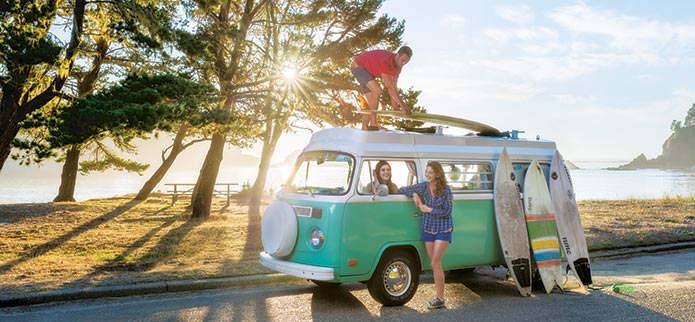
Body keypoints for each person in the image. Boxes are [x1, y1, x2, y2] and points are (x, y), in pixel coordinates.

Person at [398, 161, 453, 309]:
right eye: (427, 172)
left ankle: (440, 298)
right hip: (427, 229)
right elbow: (402, 188)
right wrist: (414, 194)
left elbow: (447, 211)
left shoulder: (446, 190)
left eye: (431, 172)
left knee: (435, 262)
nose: (428, 174)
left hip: (443, 228)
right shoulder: (423, 186)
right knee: (435, 264)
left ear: (438, 174)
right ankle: (439, 298)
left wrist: (428, 210)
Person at [351, 46, 413, 131]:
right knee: (377, 90)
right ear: (397, 55)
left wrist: (395, 106)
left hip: (369, 72)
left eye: (406, 61)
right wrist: (403, 106)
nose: (403, 63)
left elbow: (394, 87)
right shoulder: (386, 62)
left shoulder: (398, 67)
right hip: (358, 67)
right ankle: (373, 124)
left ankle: (364, 127)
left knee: (372, 102)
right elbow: (390, 87)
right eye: (403, 60)